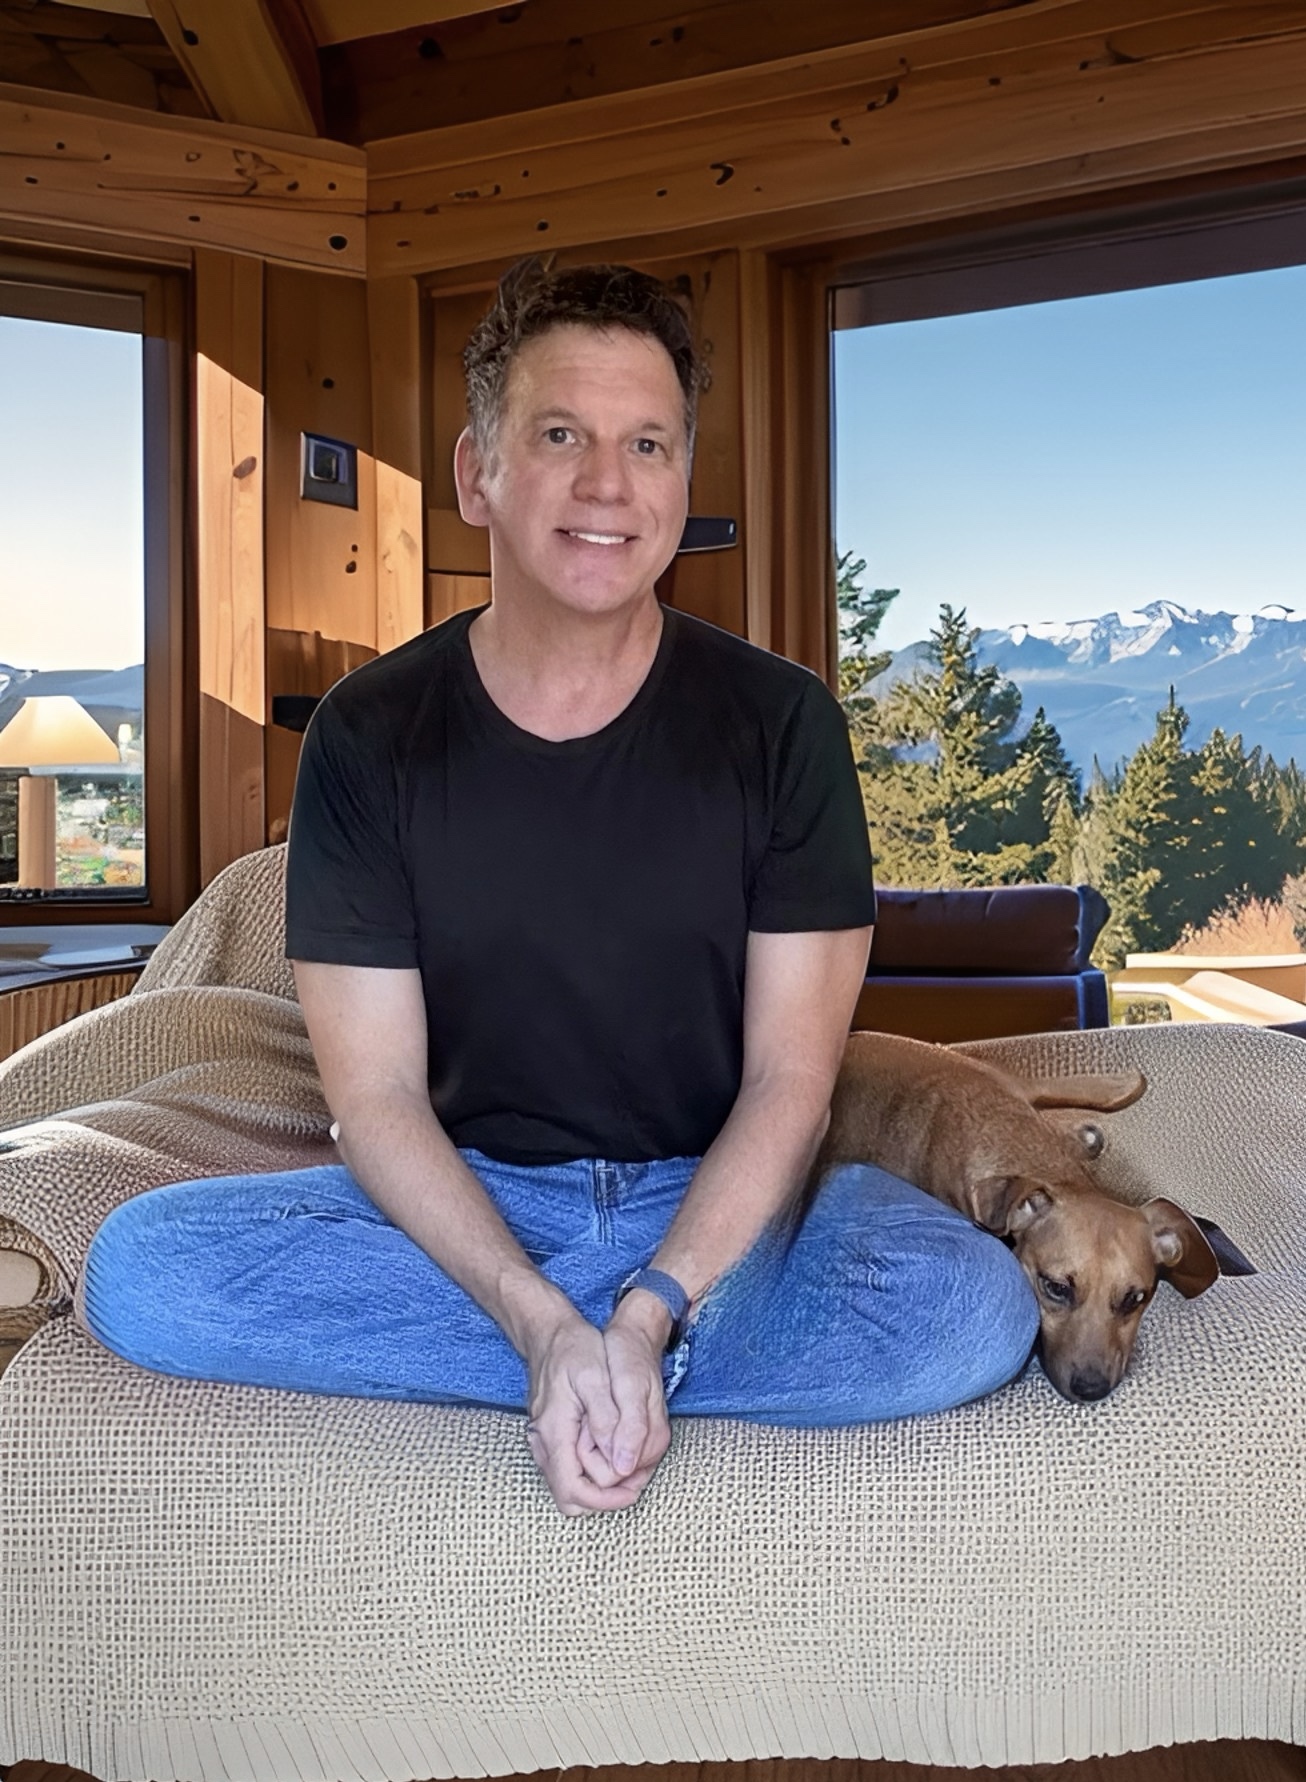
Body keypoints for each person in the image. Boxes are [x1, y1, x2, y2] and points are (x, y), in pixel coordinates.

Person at [78, 259, 1038, 1516]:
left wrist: (650, 1308)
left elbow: (789, 1085)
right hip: (470, 1210)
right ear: (477, 472)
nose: (607, 484)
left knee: (971, 1309)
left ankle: (621, 1361)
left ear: (680, 481)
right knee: (138, 1272)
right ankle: (587, 1367)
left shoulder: (782, 723)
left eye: (647, 445)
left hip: (722, 1210)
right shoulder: (369, 734)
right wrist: (537, 1320)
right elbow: (373, 1101)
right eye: (559, 436)